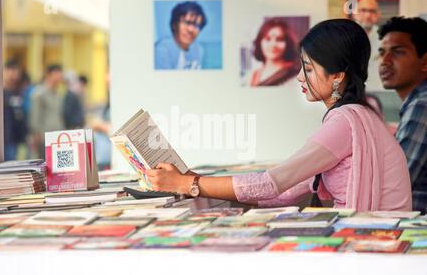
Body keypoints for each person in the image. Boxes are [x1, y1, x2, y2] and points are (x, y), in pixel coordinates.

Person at [146, 19, 412, 212]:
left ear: (337, 77)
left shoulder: (345, 122)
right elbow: (286, 191)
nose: (299, 77)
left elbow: (270, 184)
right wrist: (194, 180)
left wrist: (188, 183)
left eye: (307, 68)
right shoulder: (362, 117)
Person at [378, 16, 427, 214]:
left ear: (424, 62)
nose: (385, 61)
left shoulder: (422, 105)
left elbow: (397, 185)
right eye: (382, 53)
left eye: (397, 52)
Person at [155, 1, 207, 70]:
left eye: (196, 25)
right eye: (187, 22)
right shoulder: (162, 50)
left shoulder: (199, 50)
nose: (191, 29)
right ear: (174, 24)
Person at [249, 18, 300, 87]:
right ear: (259, 42)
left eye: (279, 39)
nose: (273, 45)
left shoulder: (295, 74)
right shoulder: (253, 75)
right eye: (268, 39)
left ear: (288, 43)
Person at [29, 64, 65, 159]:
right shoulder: (39, 93)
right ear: (49, 75)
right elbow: (35, 115)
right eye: (56, 73)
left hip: (57, 136)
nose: (59, 77)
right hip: (43, 137)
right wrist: (36, 133)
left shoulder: (58, 94)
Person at [353, 0, 384, 91]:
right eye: (363, 10)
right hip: (352, 90)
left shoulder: (385, 37)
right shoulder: (345, 34)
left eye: (372, 11)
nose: (367, 15)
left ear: (378, 14)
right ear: (355, 13)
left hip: (379, 89)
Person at [3, 61, 27, 161]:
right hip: (4, 139)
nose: (13, 75)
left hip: (16, 139)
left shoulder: (19, 92)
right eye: (10, 71)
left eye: (15, 72)